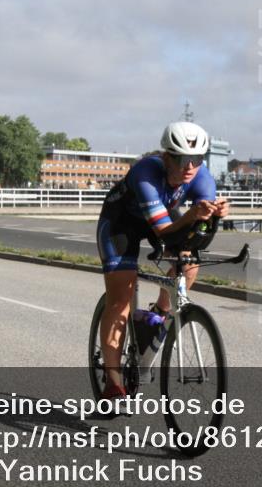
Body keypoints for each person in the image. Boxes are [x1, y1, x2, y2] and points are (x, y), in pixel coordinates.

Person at [95, 121, 229, 400]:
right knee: (120, 298)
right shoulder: (146, 172)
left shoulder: (202, 178)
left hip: (163, 219)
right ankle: (113, 381)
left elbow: (196, 235)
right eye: (181, 159)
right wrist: (192, 215)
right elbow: (164, 231)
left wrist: (213, 216)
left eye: (196, 159)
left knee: (189, 263)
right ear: (166, 157)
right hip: (121, 224)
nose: (189, 166)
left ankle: (156, 314)